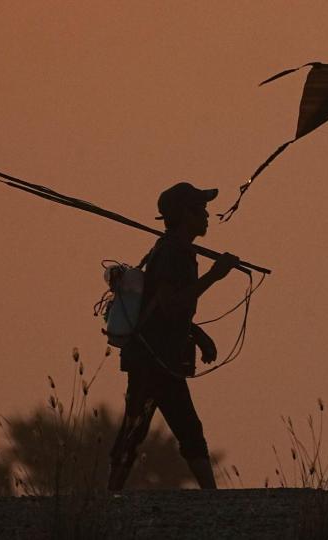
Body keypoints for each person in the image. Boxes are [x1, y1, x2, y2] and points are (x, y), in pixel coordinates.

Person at [108, 182, 239, 491]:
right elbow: (169, 305)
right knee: (137, 427)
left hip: (163, 358)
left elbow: (173, 310)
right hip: (153, 358)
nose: (207, 215)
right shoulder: (172, 253)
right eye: (200, 210)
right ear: (184, 214)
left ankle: (210, 494)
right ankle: (110, 496)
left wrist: (198, 335)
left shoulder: (176, 250)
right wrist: (215, 276)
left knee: (180, 428)